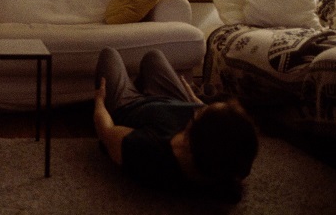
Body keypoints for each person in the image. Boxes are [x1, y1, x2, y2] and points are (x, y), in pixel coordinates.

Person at [93, 47, 258, 202]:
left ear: (190, 134)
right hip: (174, 100)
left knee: (109, 54)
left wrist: (99, 102)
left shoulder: (149, 152)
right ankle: (142, 86)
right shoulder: (224, 163)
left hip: (130, 105)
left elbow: (106, 131)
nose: (202, 107)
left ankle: (134, 89)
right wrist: (194, 101)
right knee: (153, 56)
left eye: (201, 112)